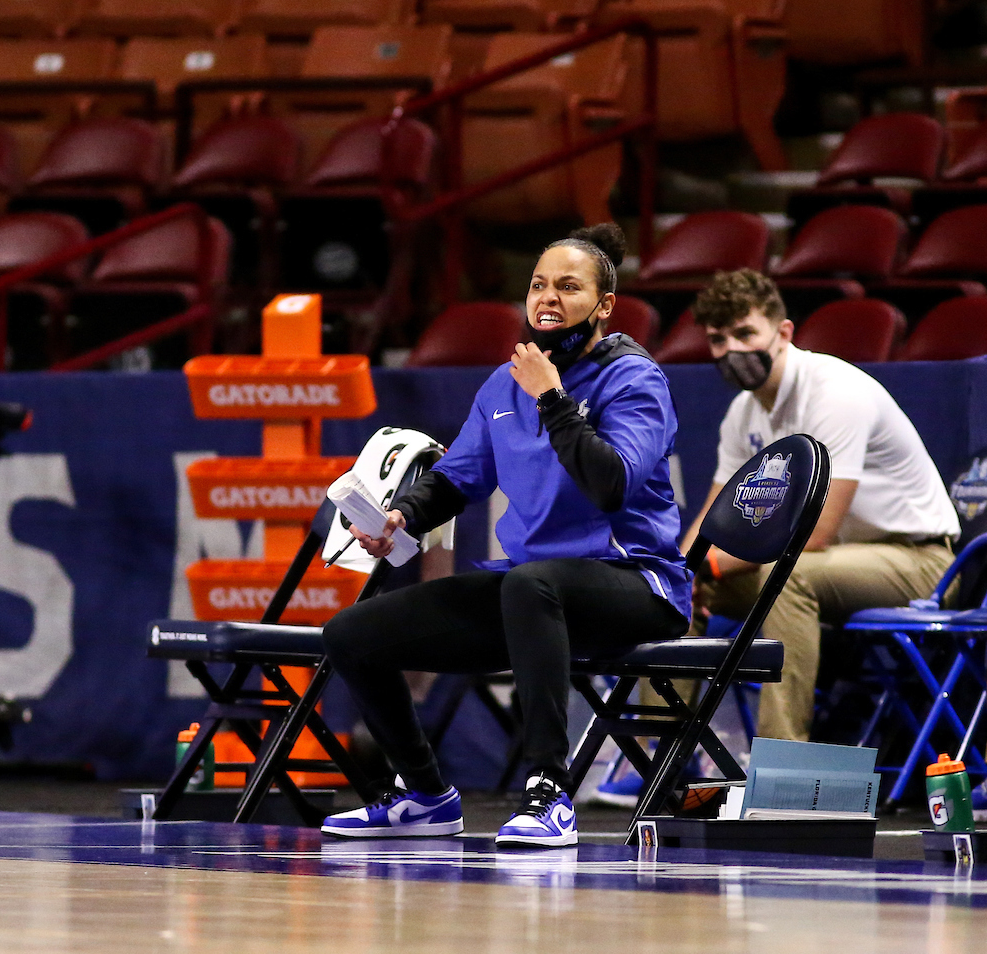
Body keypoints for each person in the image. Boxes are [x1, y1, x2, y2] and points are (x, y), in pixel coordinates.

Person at [320, 224, 691, 848]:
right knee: (351, 634)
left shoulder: (635, 381)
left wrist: (552, 397)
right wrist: (401, 517)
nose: (547, 296)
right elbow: (457, 477)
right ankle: (425, 795)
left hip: (634, 583)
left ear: (604, 306)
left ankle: (549, 793)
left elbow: (610, 485)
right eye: (538, 284)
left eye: (569, 287)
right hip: (533, 595)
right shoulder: (503, 384)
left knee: (531, 584)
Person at [683, 269, 959, 742]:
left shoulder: (836, 392)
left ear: (783, 332)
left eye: (745, 333)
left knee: (783, 577)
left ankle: (779, 761)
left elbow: (816, 532)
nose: (731, 350)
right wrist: (683, 570)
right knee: (669, 589)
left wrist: (707, 565)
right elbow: (714, 520)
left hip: (919, 562)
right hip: (827, 567)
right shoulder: (742, 413)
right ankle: (654, 755)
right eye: (718, 340)